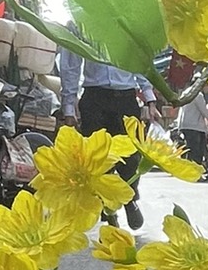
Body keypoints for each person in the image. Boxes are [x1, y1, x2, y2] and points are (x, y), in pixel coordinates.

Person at [56, 43, 152, 227]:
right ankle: (109, 213)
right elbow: (71, 65)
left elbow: (140, 57)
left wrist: (149, 96)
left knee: (131, 156)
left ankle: (130, 199)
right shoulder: (80, 24)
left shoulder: (125, 21)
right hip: (94, 98)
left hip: (126, 98)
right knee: (98, 159)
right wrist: (68, 107)